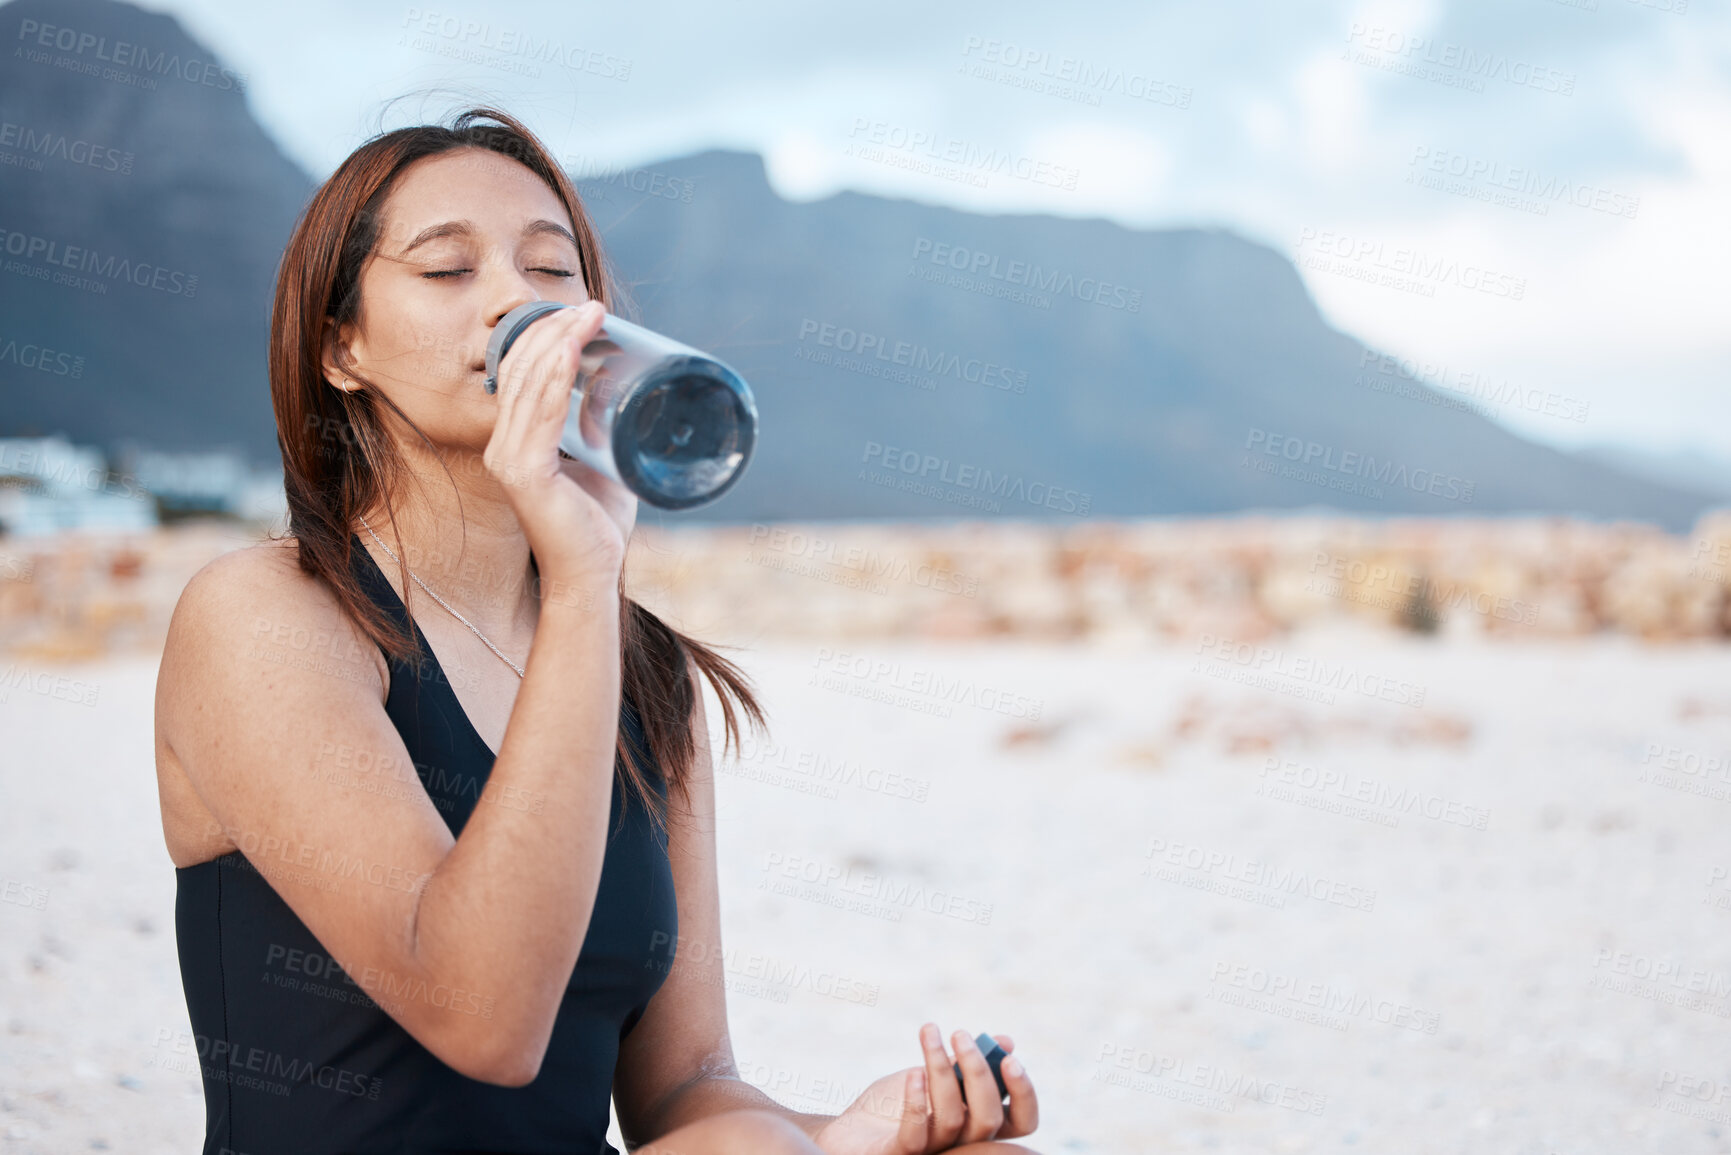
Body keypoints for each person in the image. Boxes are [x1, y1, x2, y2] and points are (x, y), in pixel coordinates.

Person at [153, 106, 1044, 1155]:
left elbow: (687, 1091)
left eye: (552, 271)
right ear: (341, 346)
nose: (516, 304)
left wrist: (859, 1128)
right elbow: (484, 1022)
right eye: (447, 271)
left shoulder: (643, 669)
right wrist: (584, 578)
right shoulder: (267, 615)